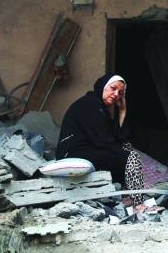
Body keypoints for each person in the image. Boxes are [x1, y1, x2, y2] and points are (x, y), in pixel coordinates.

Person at [56, 73, 148, 202]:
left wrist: (122, 111)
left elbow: (117, 138)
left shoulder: (99, 107)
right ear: (102, 86)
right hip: (72, 152)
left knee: (126, 149)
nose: (116, 94)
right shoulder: (89, 104)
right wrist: (124, 154)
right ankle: (138, 203)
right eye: (113, 88)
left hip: (87, 150)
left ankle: (127, 195)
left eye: (120, 92)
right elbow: (104, 141)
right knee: (131, 156)